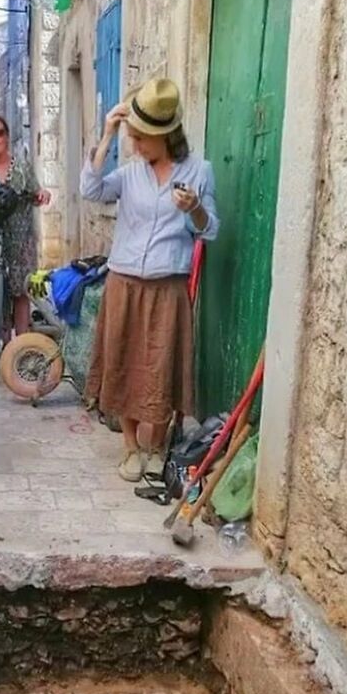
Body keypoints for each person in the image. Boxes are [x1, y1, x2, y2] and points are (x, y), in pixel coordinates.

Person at [82, 78, 220, 482]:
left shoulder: (199, 172)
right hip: (124, 282)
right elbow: (91, 190)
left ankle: (157, 445)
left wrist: (194, 208)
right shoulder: (129, 174)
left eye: (142, 139)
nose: (136, 146)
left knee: (162, 367)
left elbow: (210, 230)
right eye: (133, 137)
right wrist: (107, 133)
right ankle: (130, 447)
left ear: (166, 136)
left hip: (168, 286)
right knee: (123, 362)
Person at [0, 114, 51, 336]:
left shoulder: (22, 167)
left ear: (7, 136)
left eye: (0, 133)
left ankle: (21, 347)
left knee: (21, 293)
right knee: (0, 295)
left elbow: (37, 191)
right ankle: (5, 348)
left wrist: (42, 194)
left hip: (20, 239)